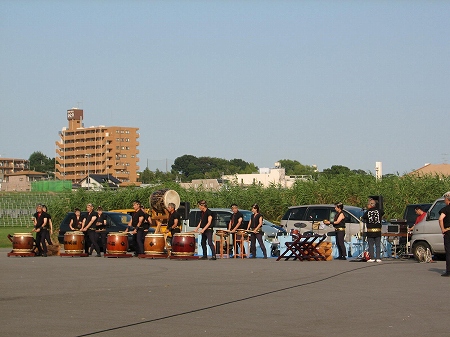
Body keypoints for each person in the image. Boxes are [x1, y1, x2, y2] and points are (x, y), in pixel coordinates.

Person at [439, 192, 450, 277]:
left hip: (448, 231)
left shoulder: (446, 209)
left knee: (448, 251)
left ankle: (448, 271)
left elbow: (440, 219)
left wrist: (442, 229)